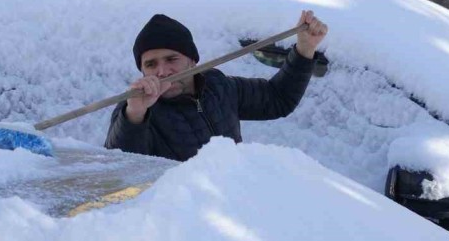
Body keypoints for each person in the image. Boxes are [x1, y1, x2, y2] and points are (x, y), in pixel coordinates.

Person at [105, 10, 328, 161]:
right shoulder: (135, 110)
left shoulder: (218, 86)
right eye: (151, 64)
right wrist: (135, 114)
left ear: (192, 60)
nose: (162, 72)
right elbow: (122, 170)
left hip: (232, 204)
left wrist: (305, 49)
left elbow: (277, 99)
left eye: (171, 59)